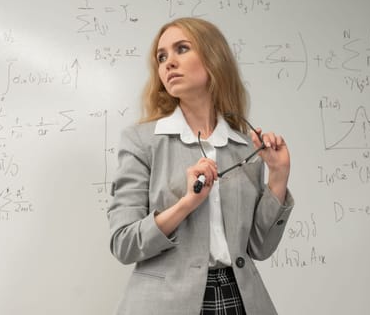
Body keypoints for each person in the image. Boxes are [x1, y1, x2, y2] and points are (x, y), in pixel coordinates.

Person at [107, 17, 294, 315]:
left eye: (182, 49)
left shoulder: (244, 147)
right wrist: (185, 204)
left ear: (213, 59)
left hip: (240, 300)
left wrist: (278, 177)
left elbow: (260, 247)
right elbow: (124, 244)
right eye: (162, 57)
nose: (169, 63)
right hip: (164, 304)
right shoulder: (141, 141)